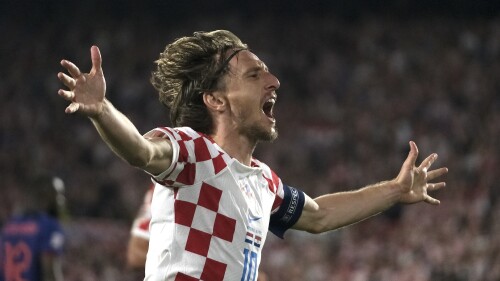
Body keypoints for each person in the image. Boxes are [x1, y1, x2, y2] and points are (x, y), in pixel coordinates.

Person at [56, 30, 448, 281]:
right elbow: (141, 151)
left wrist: (395, 191)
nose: (274, 80)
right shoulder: (193, 151)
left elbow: (320, 214)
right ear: (215, 100)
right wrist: (102, 109)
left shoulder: (264, 181)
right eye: (254, 74)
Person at [1, 174, 65, 281]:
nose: (62, 199)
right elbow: (50, 272)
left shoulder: (9, 226)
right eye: (59, 194)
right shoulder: (50, 226)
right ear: (46, 195)